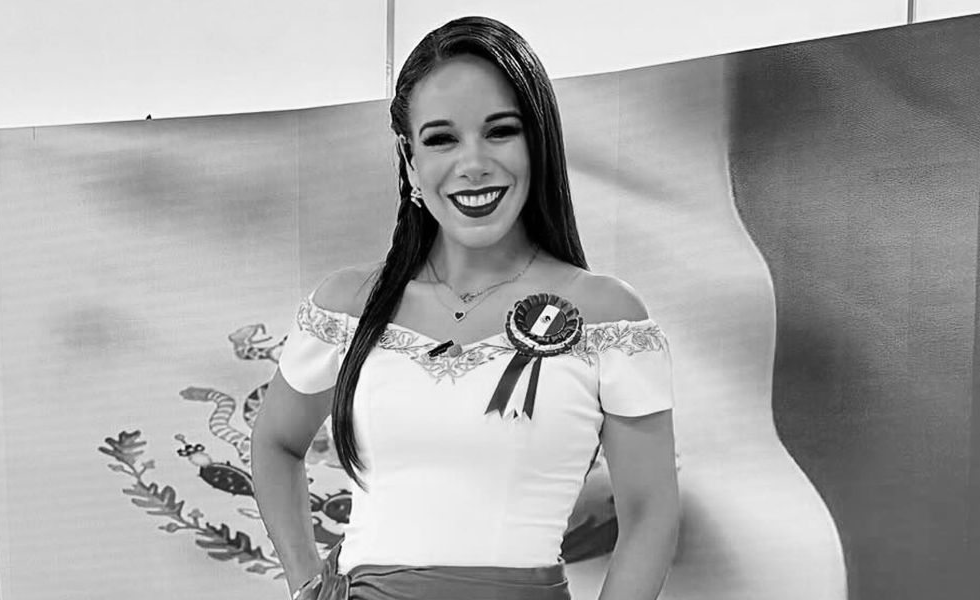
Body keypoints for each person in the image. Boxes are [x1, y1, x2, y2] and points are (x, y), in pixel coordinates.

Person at [252, 15, 680, 600]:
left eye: (500, 131)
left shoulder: (608, 317)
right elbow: (275, 443)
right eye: (441, 139)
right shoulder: (345, 307)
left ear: (538, 142)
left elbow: (651, 512)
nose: (473, 163)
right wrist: (308, 586)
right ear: (409, 160)